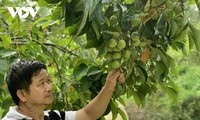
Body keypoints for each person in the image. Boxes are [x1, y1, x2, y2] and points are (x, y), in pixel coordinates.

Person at [2, 59, 125, 120]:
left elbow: (88, 114)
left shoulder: (52, 117)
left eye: (48, 81)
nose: (49, 88)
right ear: (22, 95)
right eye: (41, 83)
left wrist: (109, 85)